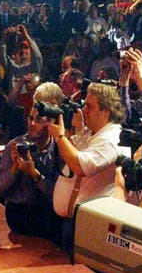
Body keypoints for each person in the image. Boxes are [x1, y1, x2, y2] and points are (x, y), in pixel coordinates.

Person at [47, 83, 127, 251]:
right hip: (73, 222)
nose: (84, 110)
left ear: (106, 111)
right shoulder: (91, 132)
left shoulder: (111, 139)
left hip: (90, 226)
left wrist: (60, 137)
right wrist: (72, 127)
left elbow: (81, 167)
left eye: (89, 107)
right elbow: (68, 155)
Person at [0, 102, 63, 245]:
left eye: (38, 120)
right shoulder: (14, 145)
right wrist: (15, 168)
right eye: (29, 118)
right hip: (20, 213)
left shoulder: (59, 150)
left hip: (47, 212)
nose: (31, 123)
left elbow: (55, 195)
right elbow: (0, 190)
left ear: (51, 124)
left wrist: (34, 174)